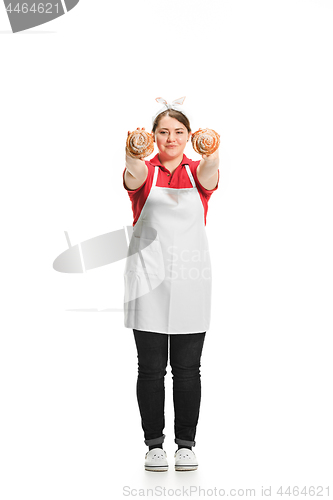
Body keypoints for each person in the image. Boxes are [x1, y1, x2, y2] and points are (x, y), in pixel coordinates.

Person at [122, 97, 219, 471]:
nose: (171, 138)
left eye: (179, 132)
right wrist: (132, 150)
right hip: (148, 280)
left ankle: (186, 445)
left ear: (189, 136)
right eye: (163, 131)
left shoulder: (199, 173)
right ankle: (153, 445)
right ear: (153, 136)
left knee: (188, 368)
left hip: (192, 280)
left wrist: (211, 150)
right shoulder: (145, 172)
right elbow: (132, 171)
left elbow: (212, 169)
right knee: (149, 368)